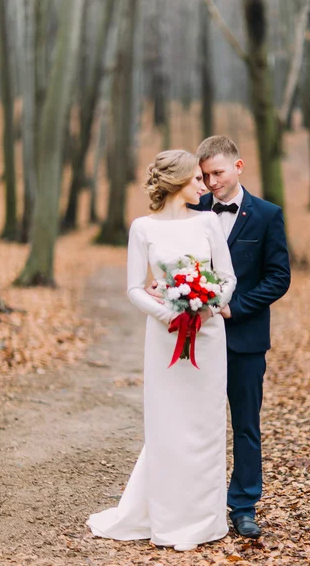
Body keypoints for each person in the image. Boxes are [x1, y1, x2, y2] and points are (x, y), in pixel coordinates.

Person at [87, 150, 237, 552]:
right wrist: (168, 311)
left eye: (205, 180)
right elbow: (135, 287)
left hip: (207, 336)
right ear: (177, 182)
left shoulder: (207, 222)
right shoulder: (142, 228)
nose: (204, 186)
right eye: (196, 180)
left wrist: (205, 307)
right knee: (168, 423)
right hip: (164, 337)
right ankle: (168, 518)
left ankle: (204, 520)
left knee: (205, 425)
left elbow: (227, 277)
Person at [148, 135, 291, 539]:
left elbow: (279, 277)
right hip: (195, 339)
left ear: (238, 167)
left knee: (245, 424)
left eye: (218, 173)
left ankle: (243, 505)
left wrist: (235, 306)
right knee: (197, 423)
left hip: (244, 339)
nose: (210, 183)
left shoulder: (267, 215)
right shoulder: (190, 212)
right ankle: (197, 505)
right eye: (205, 175)